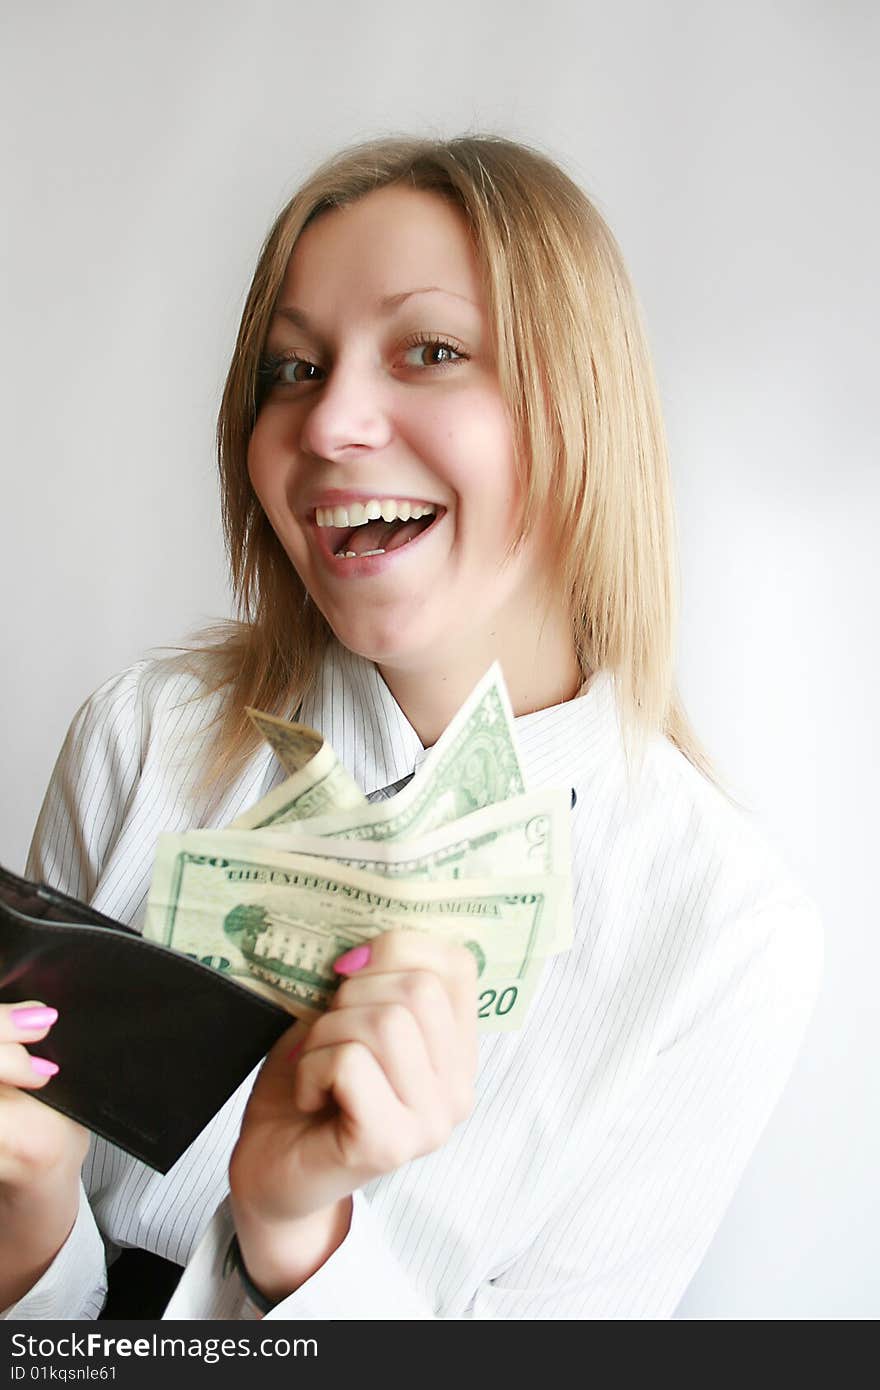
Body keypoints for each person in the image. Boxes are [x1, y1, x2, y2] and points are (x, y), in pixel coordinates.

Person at [0, 134, 823, 1320]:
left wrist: (296, 1232)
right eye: (290, 369)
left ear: (579, 404)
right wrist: (24, 1217)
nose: (330, 421)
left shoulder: (724, 928)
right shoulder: (142, 739)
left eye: (430, 350)